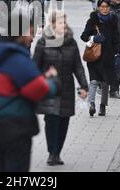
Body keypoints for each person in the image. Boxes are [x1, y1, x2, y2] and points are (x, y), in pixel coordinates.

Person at [0, 12, 57, 172]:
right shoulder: (15, 57)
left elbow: (13, 82)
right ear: (19, 32)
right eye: (30, 31)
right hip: (13, 125)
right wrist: (53, 83)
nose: (33, 35)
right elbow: (38, 90)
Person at [34, 11, 88, 166]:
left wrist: (83, 86)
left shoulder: (71, 42)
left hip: (66, 88)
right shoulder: (43, 43)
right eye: (59, 22)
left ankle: (58, 152)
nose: (63, 25)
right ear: (52, 25)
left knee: (63, 121)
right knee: (51, 119)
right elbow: (34, 68)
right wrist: (45, 75)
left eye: (64, 22)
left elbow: (78, 66)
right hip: (49, 89)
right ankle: (52, 152)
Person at [81, 0, 120, 117]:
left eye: (107, 7)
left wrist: (118, 54)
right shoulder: (92, 20)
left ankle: (103, 106)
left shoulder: (113, 20)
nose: (105, 9)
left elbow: (117, 38)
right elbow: (83, 36)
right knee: (93, 81)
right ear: (98, 7)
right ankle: (92, 104)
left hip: (108, 56)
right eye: (102, 7)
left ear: (109, 8)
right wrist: (93, 38)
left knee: (105, 82)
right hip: (95, 56)